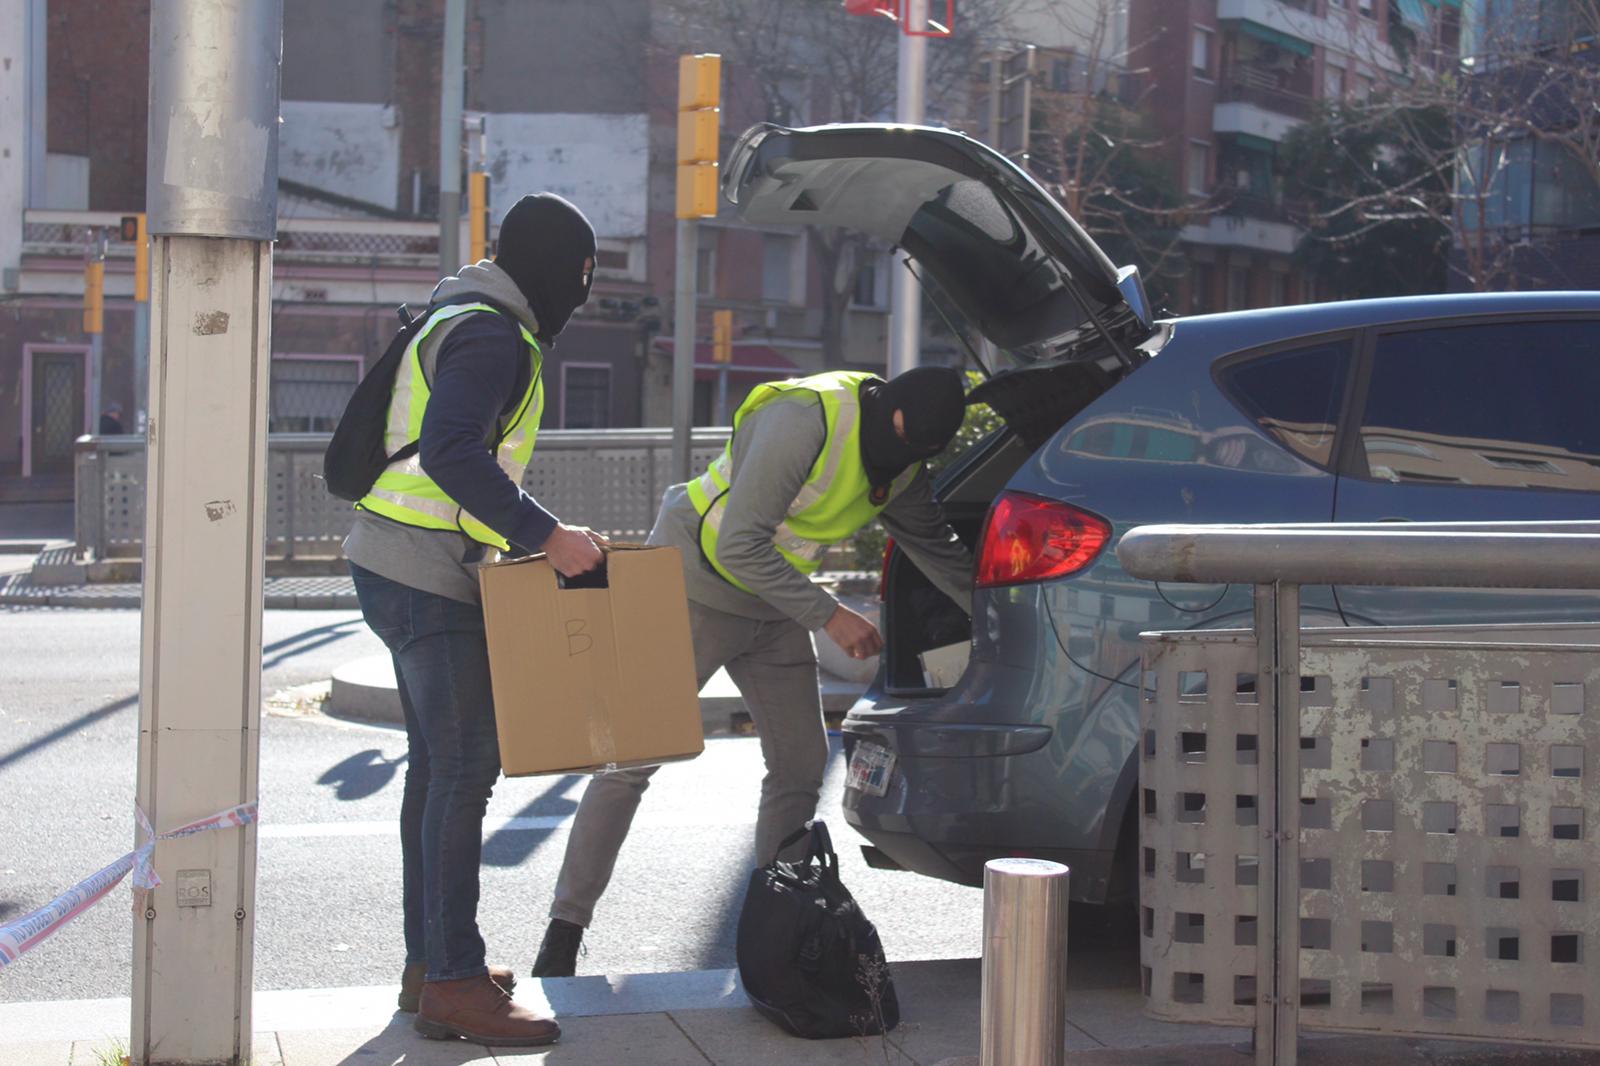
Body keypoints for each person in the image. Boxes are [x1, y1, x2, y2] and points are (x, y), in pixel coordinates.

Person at [532, 366, 975, 977]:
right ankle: (564, 929)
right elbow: (739, 542)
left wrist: (1002, 615)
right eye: (902, 445)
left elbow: (937, 547)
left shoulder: (902, 462)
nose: (902, 463)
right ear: (889, 415)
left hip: (772, 603)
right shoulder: (804, 417)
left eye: (918, 455)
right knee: (630, 760)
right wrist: (829, 616)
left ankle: (775, 925)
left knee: (798, 766)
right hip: (691, 585)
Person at [344, 192, 606, 1046]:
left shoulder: (466, 314)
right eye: (581, 275)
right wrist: (547, 536)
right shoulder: (493, 335)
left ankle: (434, 964)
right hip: (422, 578)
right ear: (555, 268)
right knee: (464, 770)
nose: (582, 291)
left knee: (436, 773)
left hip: (399, 564)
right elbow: (453, 448)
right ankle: (454, 980)